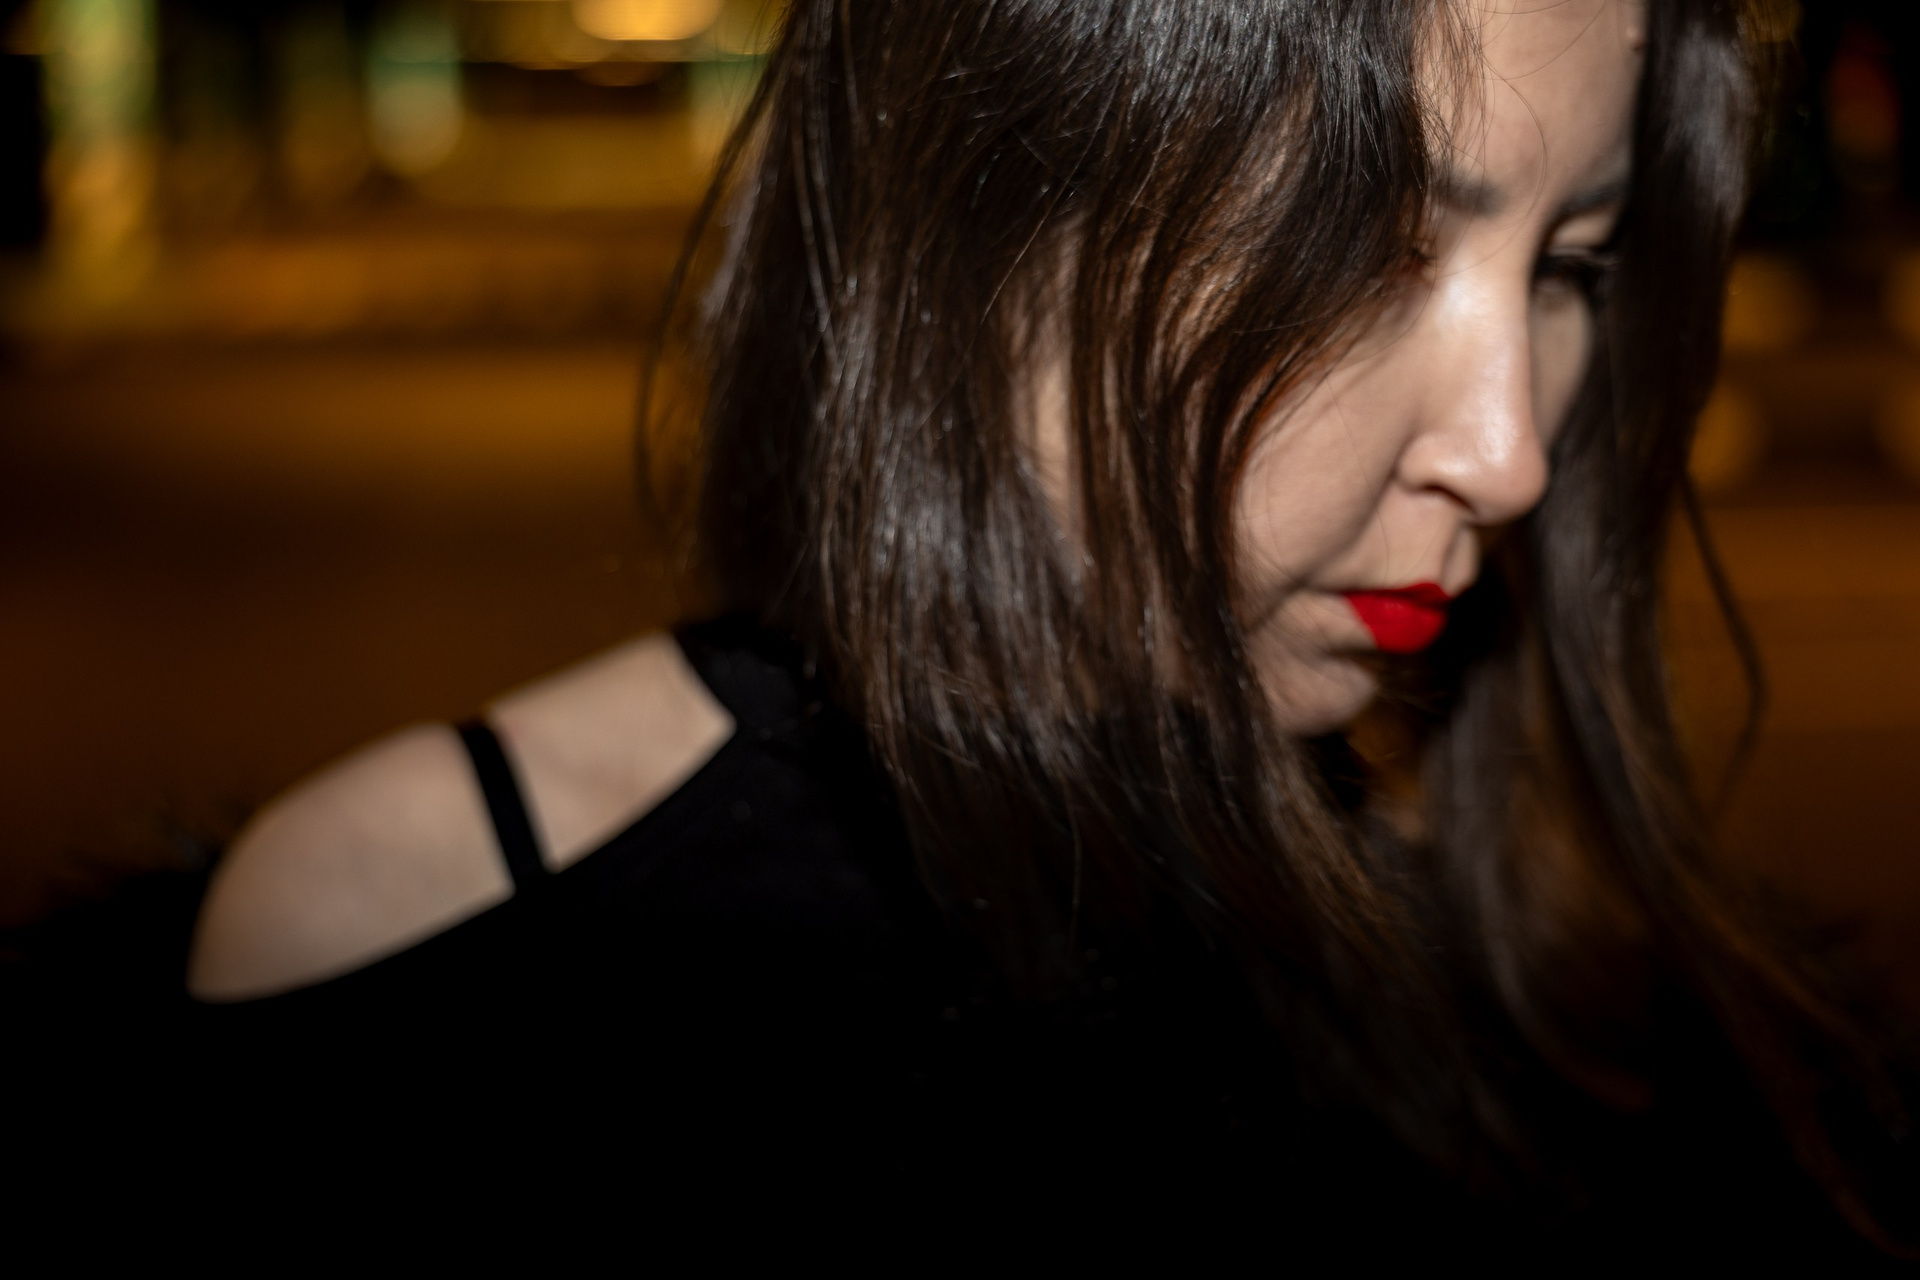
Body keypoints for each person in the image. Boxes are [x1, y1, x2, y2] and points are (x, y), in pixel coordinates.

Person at [182, 0, 1913, 1256]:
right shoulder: (420, 945)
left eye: (1569, 268)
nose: (1510, 448)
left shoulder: (1590, 990)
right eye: (1369, 246)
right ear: (985, 204)